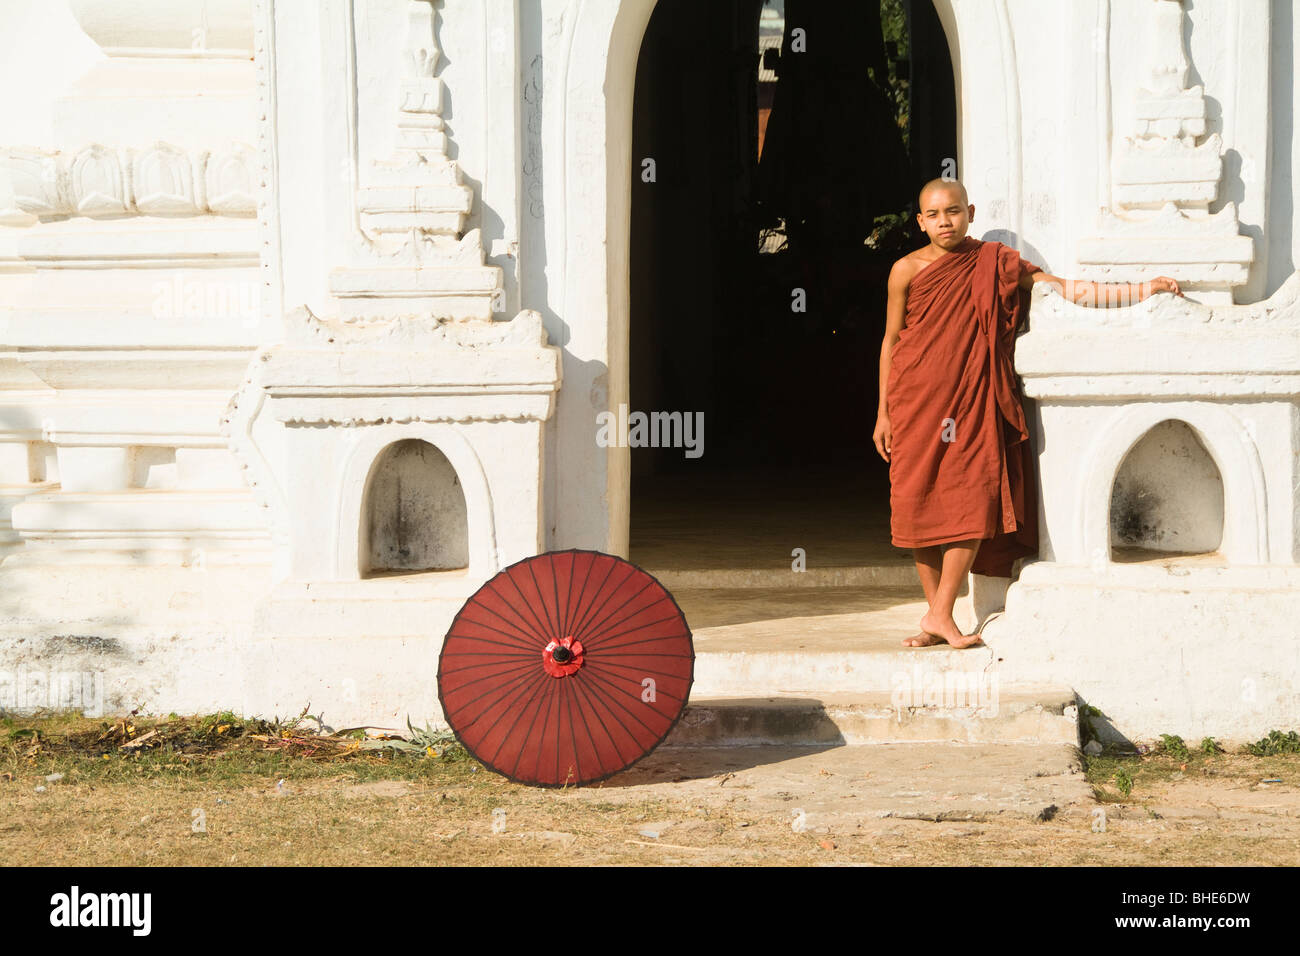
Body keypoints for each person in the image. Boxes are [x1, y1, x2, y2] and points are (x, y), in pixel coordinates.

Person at [873, 178, 1182, 649]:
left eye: (953, 211)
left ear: (970, 212)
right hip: (913, 400)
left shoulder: (992, 262)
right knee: (918, 506)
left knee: (972, 502)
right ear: (919, 221)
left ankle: (939, 614)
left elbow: (1064, 289)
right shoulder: (905, 271)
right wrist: (883, 411)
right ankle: (938, 616)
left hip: (971, 400)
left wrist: (1143, 289)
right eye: (933, 215)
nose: (944, 222)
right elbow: (892, 340)